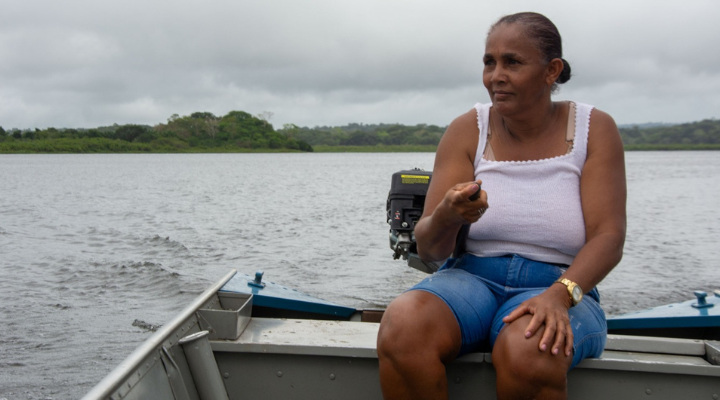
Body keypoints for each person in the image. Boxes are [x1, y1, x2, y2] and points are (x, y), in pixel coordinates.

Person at [376, 12, 626, 400]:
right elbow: (429, 250)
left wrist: (559, 296)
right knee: (403, 325)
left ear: (551, 70)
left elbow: (609, 238)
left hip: (559, 282)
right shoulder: (467, 129)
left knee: (532, 348)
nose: (496, 76)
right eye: (489, 62)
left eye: (512, 62)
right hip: (470, 278)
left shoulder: (594, 129)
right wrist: (446, 216)